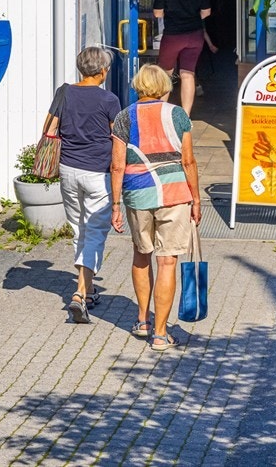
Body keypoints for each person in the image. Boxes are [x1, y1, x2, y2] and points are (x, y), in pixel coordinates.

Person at [110, 63, 201, 351]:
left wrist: (115, 205)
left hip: (138, 195)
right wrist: (196, 199)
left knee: (141, 254)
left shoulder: (124, 117)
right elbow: (188, 161)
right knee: (167, 261)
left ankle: (142, 320)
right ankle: (160, 334)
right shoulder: (178, 115)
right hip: (174, 194)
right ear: (164, 86)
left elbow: (116, 165)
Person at [50, 46, 123, 324]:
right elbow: (117, 138)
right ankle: (80, 293)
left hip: (68, 169)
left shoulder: (65, 92)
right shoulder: (109, 99)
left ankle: (89, 289)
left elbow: (50, 127)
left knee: (78, 229)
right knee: (93, 233)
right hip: (97, 173)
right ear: (103, 71)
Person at [152, 0, 214, 114]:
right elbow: (206, 11)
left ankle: (161, 113)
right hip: (195, 35)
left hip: (173, 35)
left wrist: (171, 14)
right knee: (188, 74)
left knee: (165, 74)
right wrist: (194, 16)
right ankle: (185, 116)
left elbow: (157, 13)